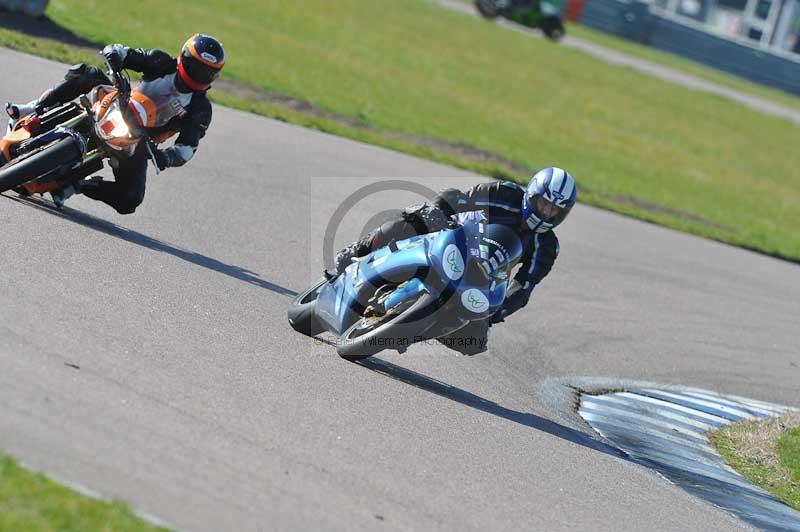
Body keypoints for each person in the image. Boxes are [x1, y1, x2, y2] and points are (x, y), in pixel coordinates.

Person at [335, 167, 577, 355]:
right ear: (532, 194)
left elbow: (523, 288)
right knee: (414, 219)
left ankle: (411, 330)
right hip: (453, 244)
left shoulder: (546, 247)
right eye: (544, 204)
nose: (546, 213)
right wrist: (439, 212)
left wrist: (495, 311)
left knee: (474, 343)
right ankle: (359, 249)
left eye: (554, 210)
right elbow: (459, 198)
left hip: (478, 283)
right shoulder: (505, 193)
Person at [5, 33, 225, 213]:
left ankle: (76, 184)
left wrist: (165, 157)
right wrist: (114, 56)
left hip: (139, 139)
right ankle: (33, 108)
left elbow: (187, 148)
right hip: (119, 101)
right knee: (87, 73)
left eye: (207, 72)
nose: (201, 74)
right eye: (197, 67)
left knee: (131, 199)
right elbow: (123, 51)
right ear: (184, 58)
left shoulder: (201, 109)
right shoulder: (161, 62)